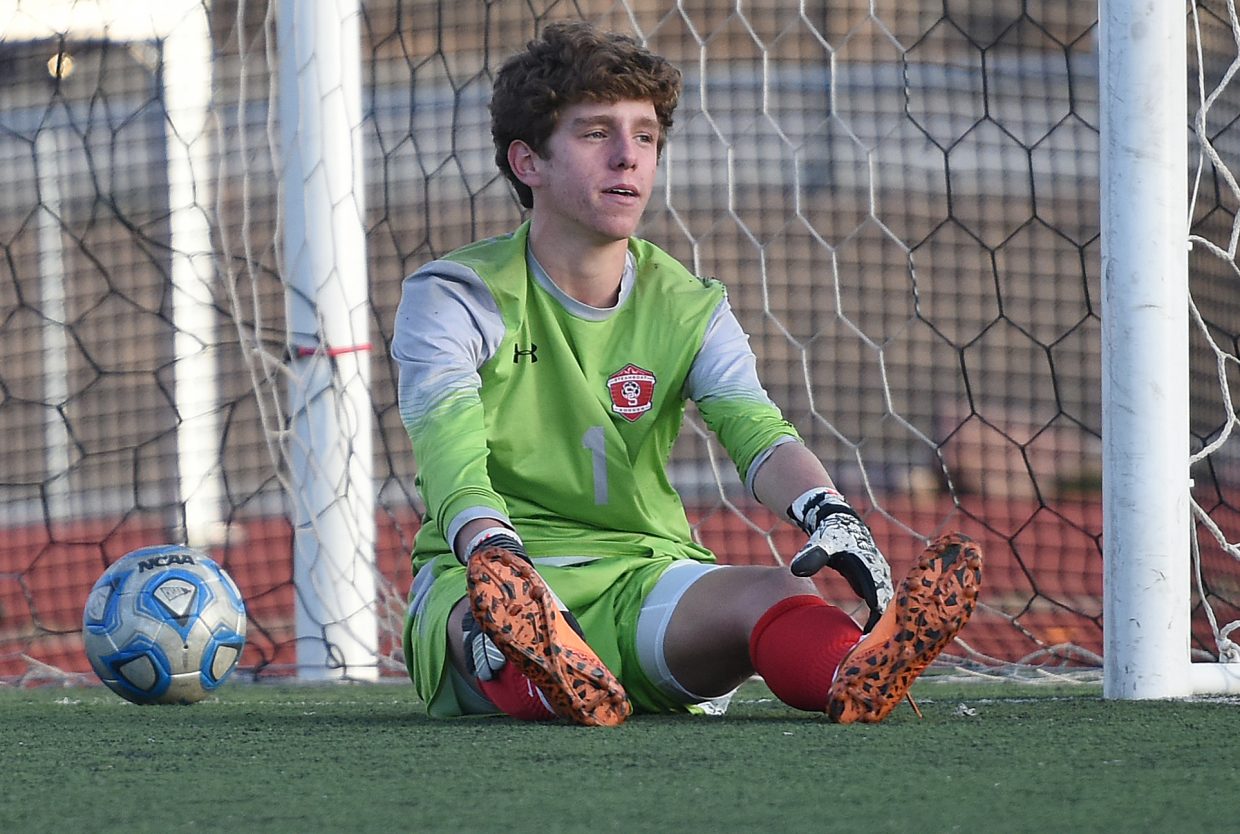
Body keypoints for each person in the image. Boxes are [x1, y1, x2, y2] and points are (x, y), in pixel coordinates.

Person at [392, 20, 982, 726]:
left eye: (644, 135)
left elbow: (756, 429)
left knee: (768, 592)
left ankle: (853, 668)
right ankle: (538, 666)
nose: (627, 158)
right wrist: (493, 551)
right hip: (485, 571)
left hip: (640, 571)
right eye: (595, 133)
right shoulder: (454, 295)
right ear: (528, 162)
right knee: (478, 620)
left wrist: (832, 513)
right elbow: (449, 452)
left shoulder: (690, 306)